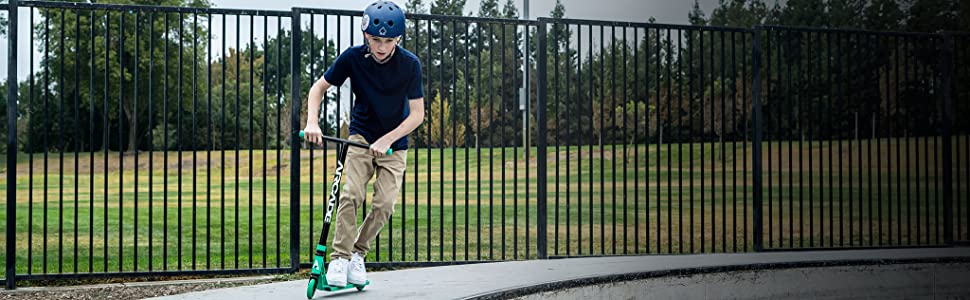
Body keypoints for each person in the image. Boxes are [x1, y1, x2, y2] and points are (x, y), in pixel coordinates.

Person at [301, 0, 424, 287]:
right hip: (360, 135)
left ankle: (358, 254)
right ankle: (339, 259)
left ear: (398, 39)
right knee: (351, 194)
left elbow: (417, 114)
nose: (382, 47)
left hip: (395, 143)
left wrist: (388, 139)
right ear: (365, 36)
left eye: (389, 41)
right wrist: (312, 122)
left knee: (384, 204)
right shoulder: (353, 58)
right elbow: (318, 88)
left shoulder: (410, 65)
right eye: (376, 40)